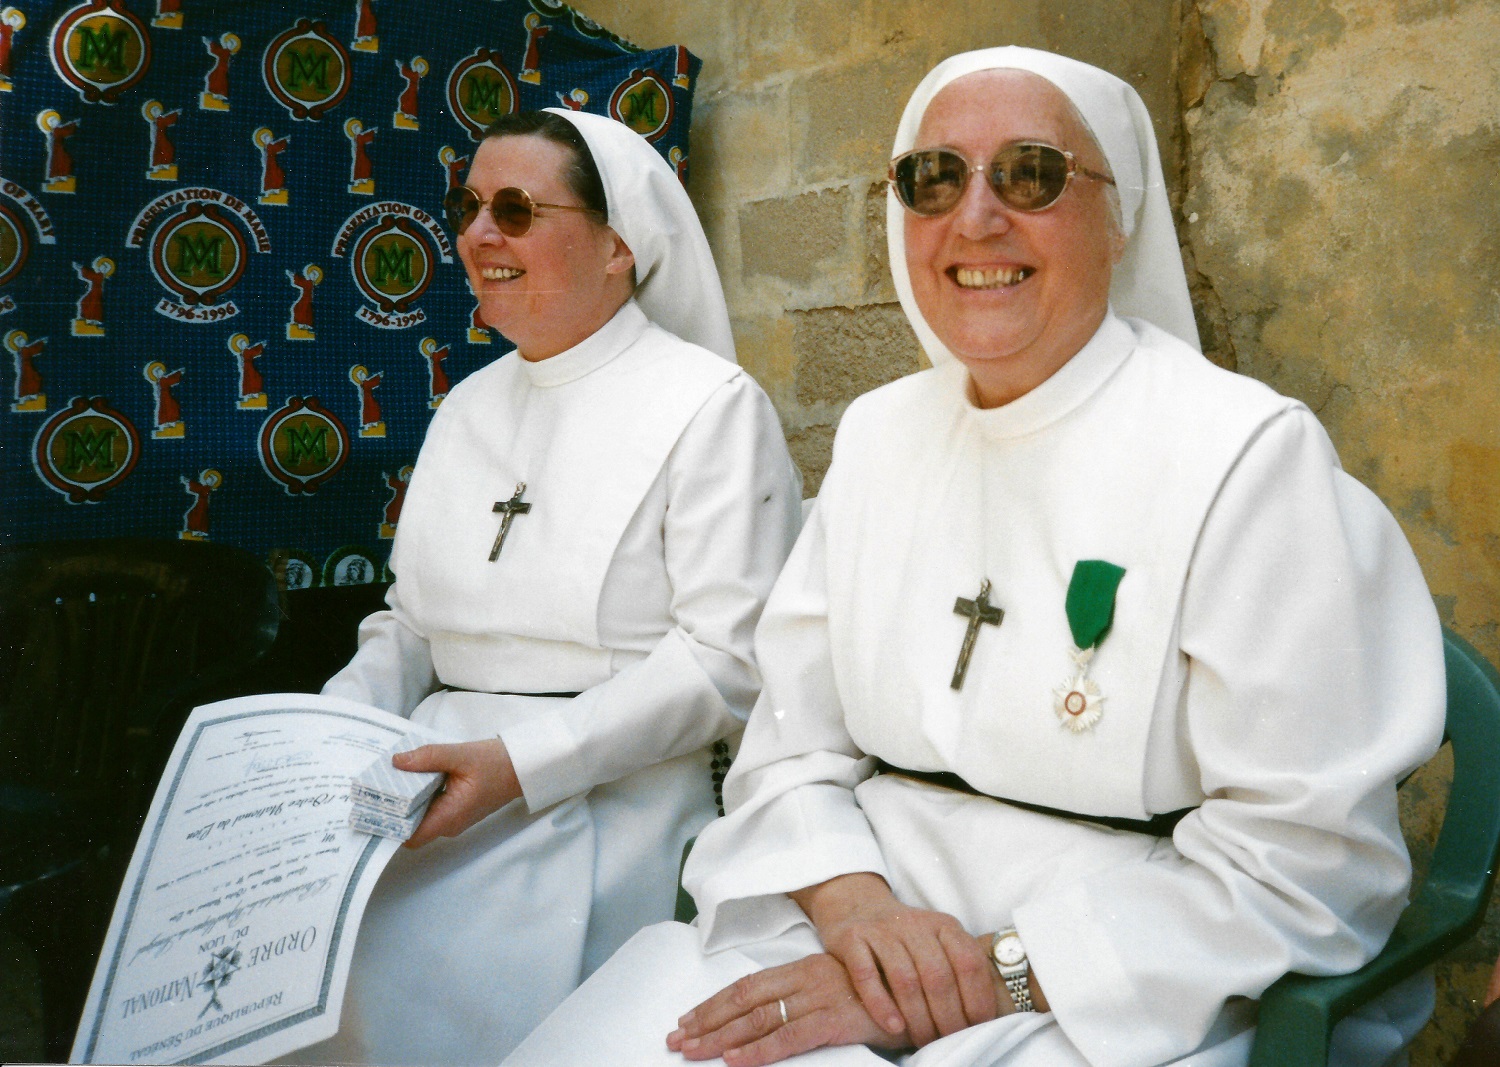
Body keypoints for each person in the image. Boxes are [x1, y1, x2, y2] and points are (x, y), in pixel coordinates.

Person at [503, 48, 1445, 1067]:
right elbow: (791, 747)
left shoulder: (1248, 459)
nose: (977, 217)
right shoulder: (874, 436)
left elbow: (1306, 856)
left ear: (1118, 214)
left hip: (1126, 970)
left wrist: (985, 975)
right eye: (933, 178)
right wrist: (857, 910)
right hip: (851, 913)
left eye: (1032, 174)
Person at [295, 109, 804, 1066]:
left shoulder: (710, 405)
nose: (480, 235)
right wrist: (323, 731)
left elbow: (725, 662)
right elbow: (411, 623)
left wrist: (522, 765)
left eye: (518, 208)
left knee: (408, 983)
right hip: (424, 776)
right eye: (469, 205)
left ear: (618, 247)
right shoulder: (467, 404)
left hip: (601, 794)